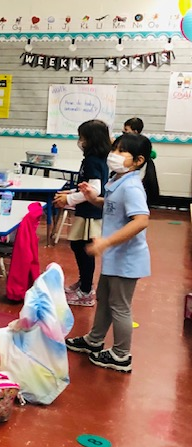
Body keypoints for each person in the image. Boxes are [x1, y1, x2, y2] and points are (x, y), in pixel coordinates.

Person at [65, 133, 159, 372]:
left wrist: (106, 242)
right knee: (104, 300)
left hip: (126, 259)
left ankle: (121, 355)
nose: (113, 155)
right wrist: (93, 198)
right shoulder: (118, 180)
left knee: (120, 307)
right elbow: (111, 205)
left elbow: (140, 221)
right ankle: (94, 340)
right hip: (115, 258)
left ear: (138, 160)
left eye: (121, 151)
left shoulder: (132, 187)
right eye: (114, 149)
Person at [53, 119, 110, 307]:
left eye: (82, 138)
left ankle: (85, 291)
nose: (80, 141)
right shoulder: (93, 159)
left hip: (90, 214)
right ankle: (84, 284)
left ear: (91, 140)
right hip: (86, 210)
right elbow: (86, 187)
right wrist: (69, 193)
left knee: (84, 249)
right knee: (78, 247)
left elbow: (94, 190)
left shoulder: (94, 160)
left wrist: (68, 200)